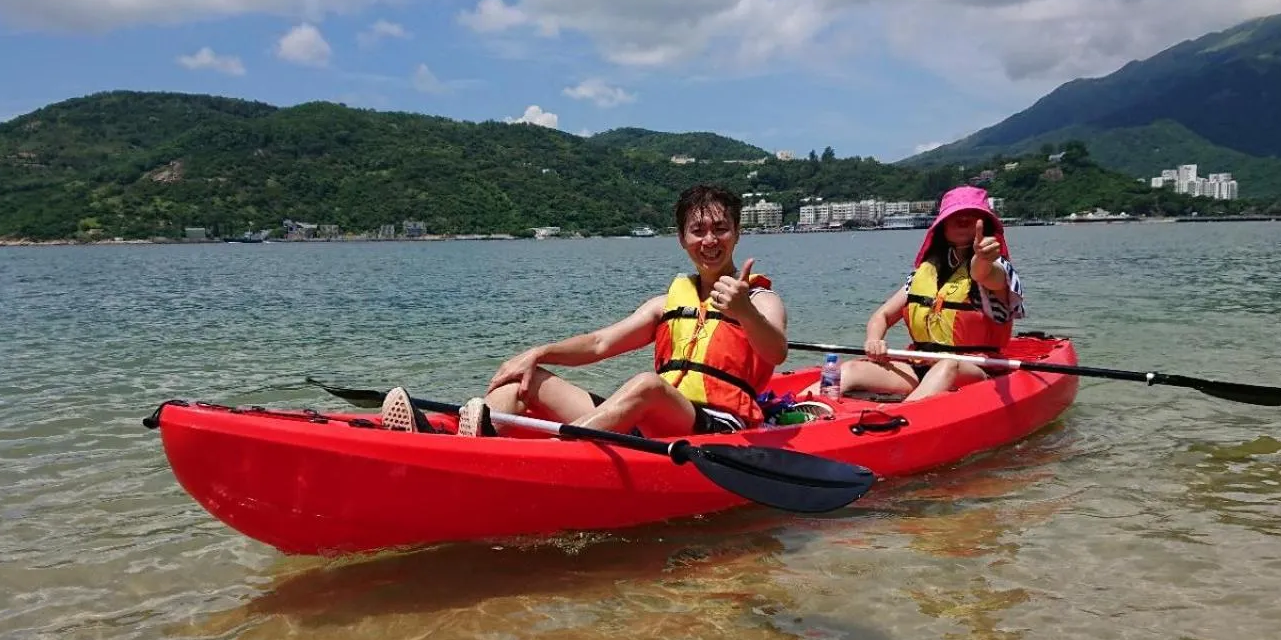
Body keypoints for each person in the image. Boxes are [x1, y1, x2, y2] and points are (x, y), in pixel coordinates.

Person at [379, 184, 788, 438]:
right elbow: (599, 344)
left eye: (721, 229)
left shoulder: (758, 301)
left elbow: (776, 352)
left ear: (737, 233)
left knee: (646, 385)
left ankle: (556, 454)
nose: (710, 240)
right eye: (698, 231)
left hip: (716, 425)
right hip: (651, 423)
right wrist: (539, 352)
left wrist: (743, 313)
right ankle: (441, 443)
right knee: (525, 381)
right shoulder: (666, 304)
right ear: (682, 239)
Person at [811, 185, 1024, 403]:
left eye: (972, 216)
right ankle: (796, 409)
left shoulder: (997, 267)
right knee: (851, 368)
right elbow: (883, 316)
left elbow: (984, 274)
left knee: (948, 364)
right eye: (956, 216)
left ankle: (902, 419)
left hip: (977, 371)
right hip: (922, 366)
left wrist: (983, 258)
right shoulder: (925, 272)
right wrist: (874, 339)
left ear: (985, 225)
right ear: (942, 226)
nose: (963, 221)